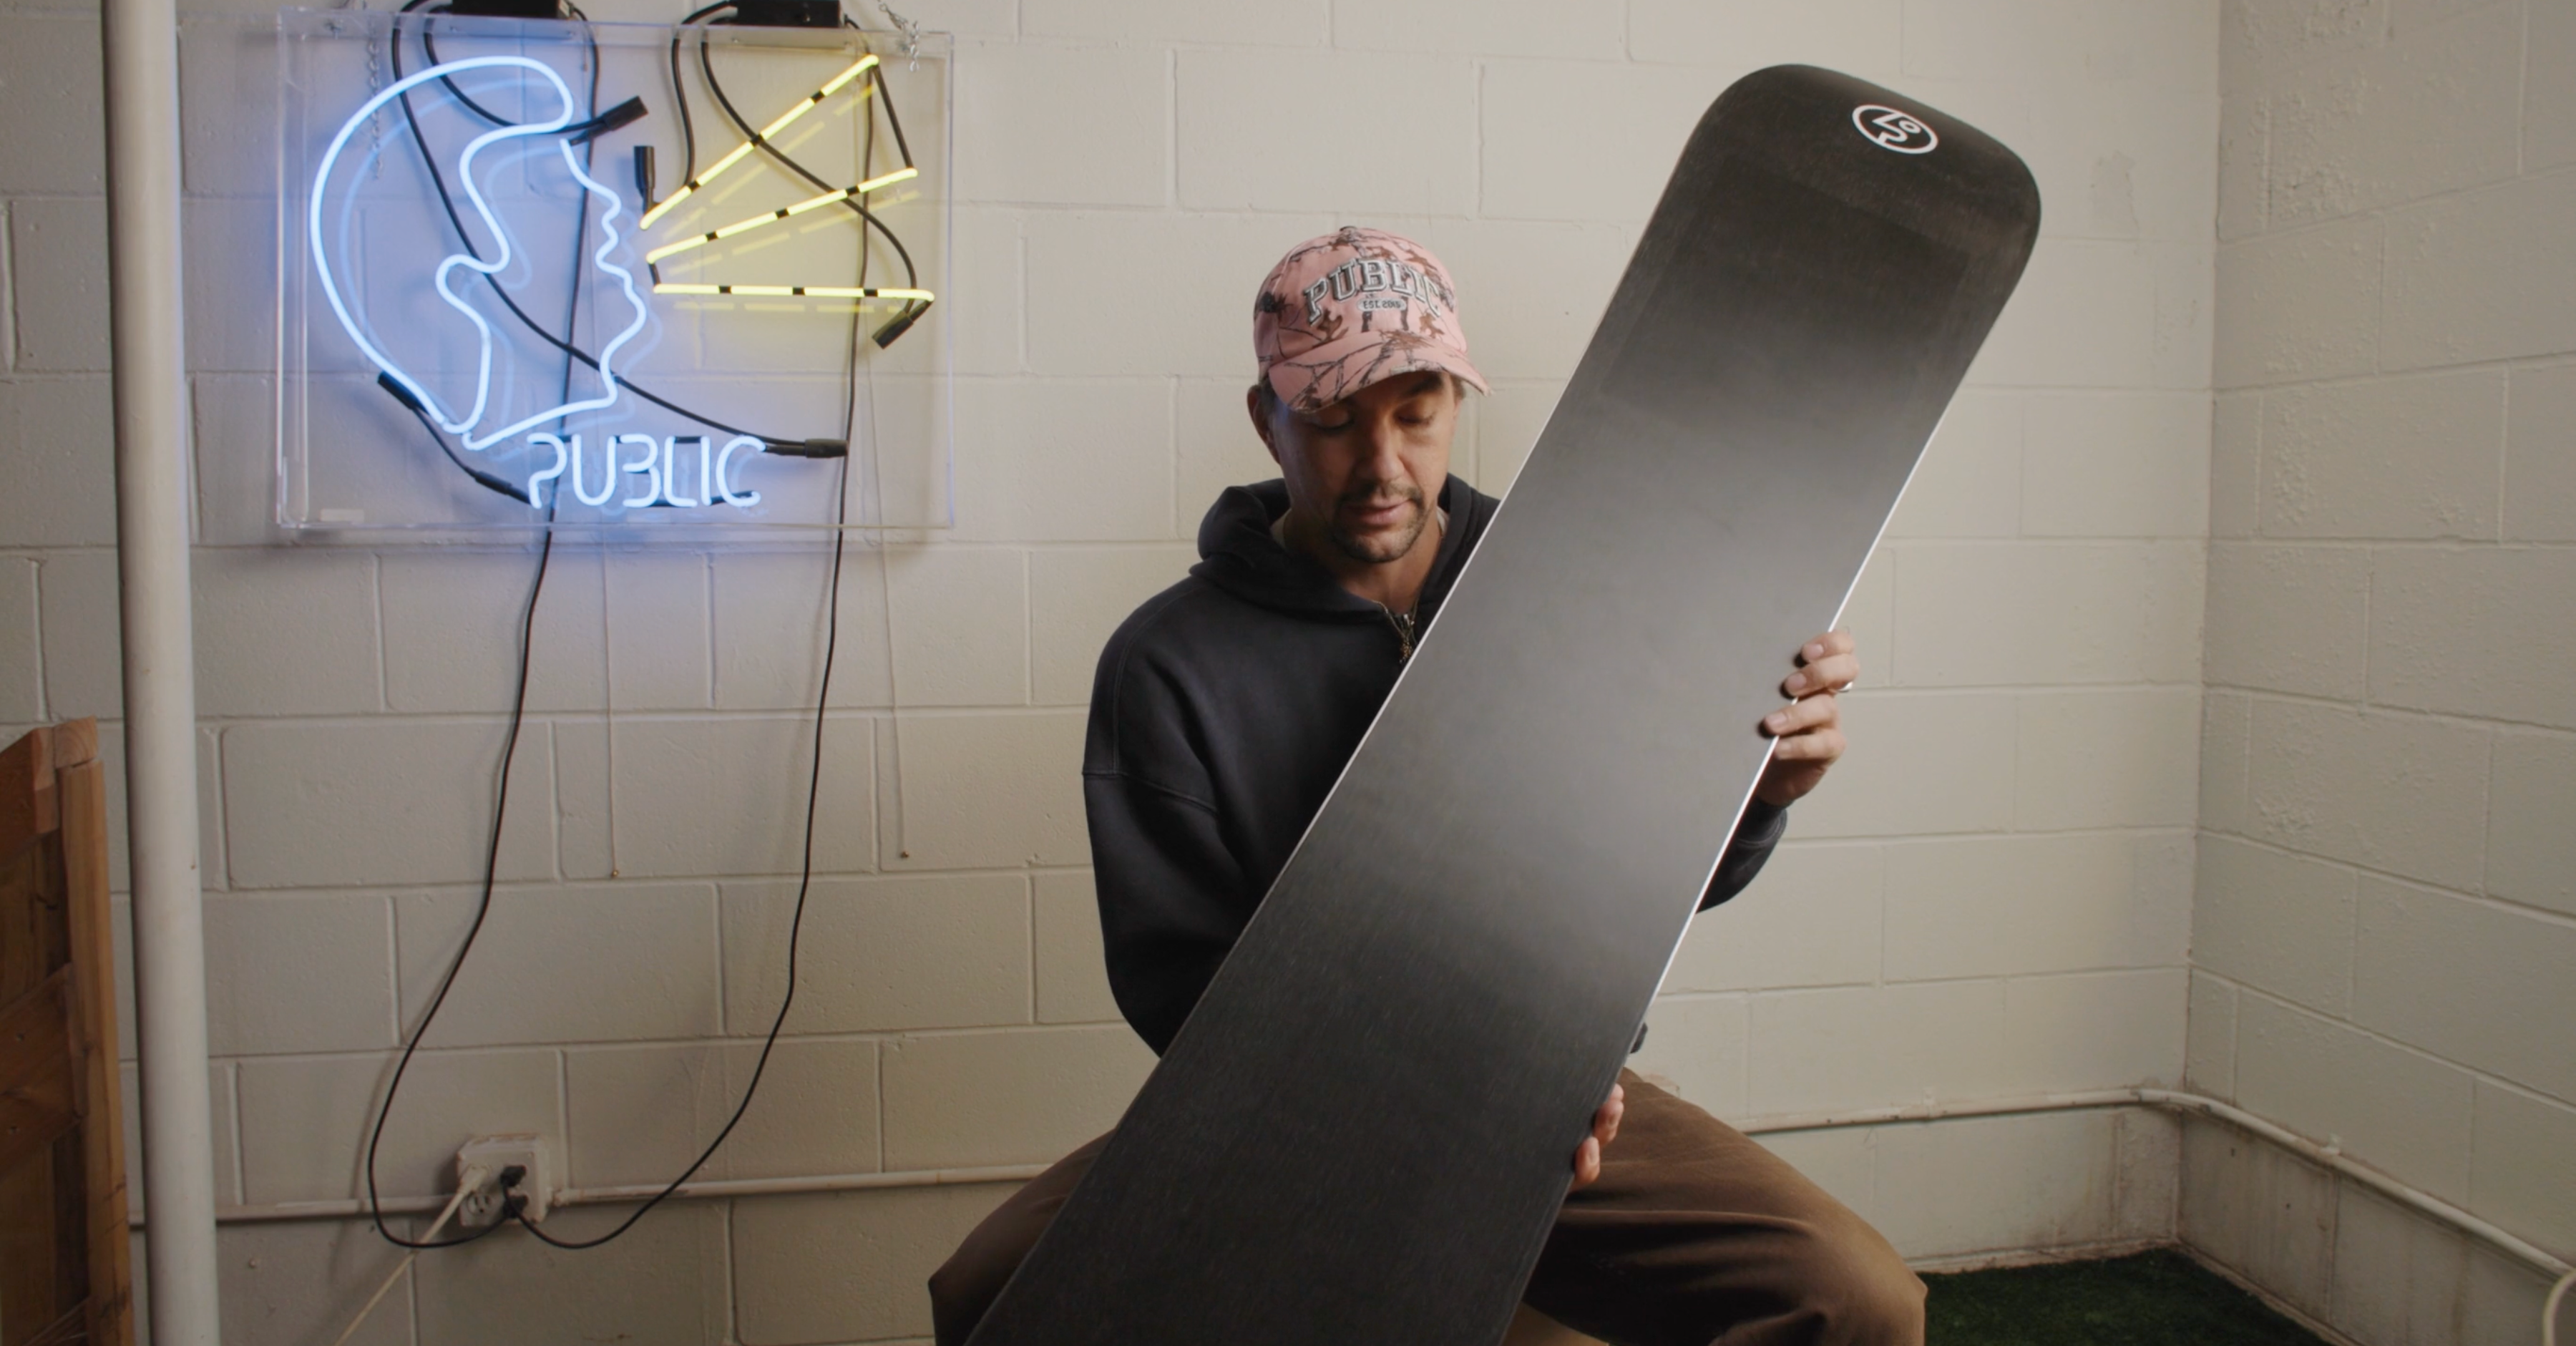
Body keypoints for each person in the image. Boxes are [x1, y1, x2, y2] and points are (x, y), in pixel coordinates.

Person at [928, 228, 1919, 1345]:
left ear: (1455, 405)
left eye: (1416, 413)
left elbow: (1649, 888)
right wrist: (1418, 1108)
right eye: (1333, 421)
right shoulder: (1167, 663)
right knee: (988, 1296)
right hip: (1281, 1118)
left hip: (1547, 1095)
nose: (1382, 464)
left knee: (1856, 1299)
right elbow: (1175, 984)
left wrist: (1761, 790)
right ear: (1267, 420)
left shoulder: (1574, 595)